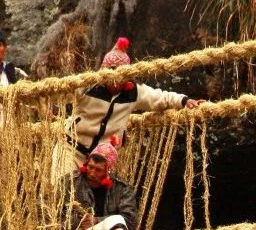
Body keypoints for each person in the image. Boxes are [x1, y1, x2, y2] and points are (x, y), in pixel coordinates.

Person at [69, 37, 202, 164]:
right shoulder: (86, 85)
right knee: (66, 183)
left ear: (128, 76)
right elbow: (62, 92)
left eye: (121, 73)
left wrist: (184, 100)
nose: (116, 77)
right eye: (111, 71)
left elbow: (160, 97)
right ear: (103, 71)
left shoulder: (134, 92)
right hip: (71, 151)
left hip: (102, 161)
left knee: (97, 188)